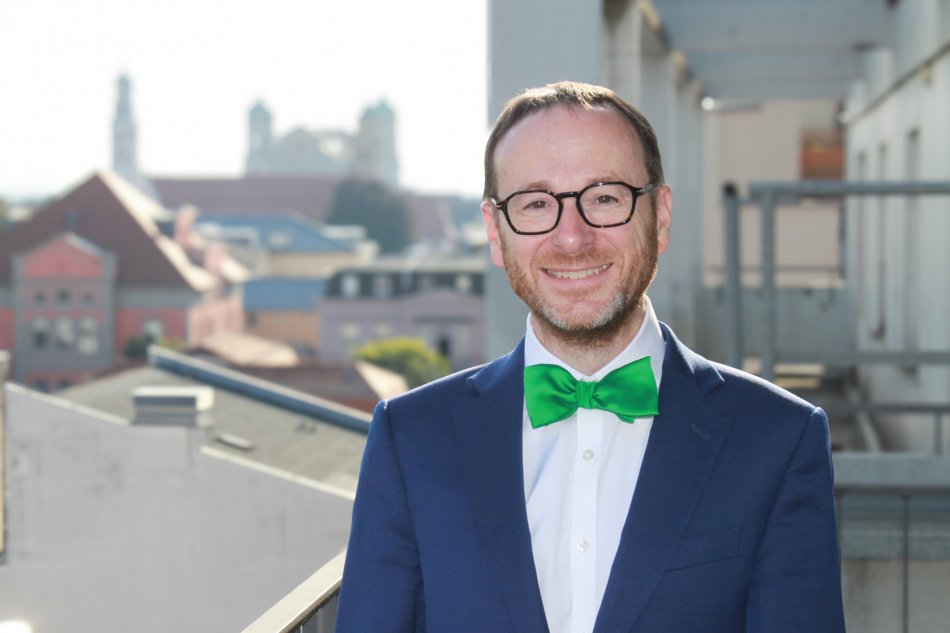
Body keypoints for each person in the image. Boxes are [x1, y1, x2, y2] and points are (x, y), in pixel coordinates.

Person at [335, 81, 845, 633]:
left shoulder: (777, 439)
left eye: (605, 197)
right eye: (536, 204)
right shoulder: (411, 439)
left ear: (660, 217)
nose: (573, 238)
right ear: (494, 233)